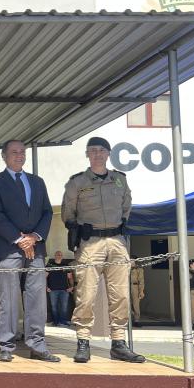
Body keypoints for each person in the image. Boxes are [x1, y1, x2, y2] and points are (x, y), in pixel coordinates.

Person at [62, 136, 144, 363]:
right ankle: (83, 341)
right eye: (93, 150)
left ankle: (118, 343)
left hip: (117, 241)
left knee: (120, 295)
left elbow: (126, 207)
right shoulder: (76, 182)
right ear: (87, 154)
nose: (97, 154)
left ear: (108, 154)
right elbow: (68, 213)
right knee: (85, 294)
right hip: (90, 243)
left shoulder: (120, 180)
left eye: (102, 150)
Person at [0, 139, 59, 363]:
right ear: (4, 156)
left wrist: (34, 237)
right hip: (9, 248)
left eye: (22, 152)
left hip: (36, 247)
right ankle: (6, 345)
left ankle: (37, 344)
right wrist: (19, 239)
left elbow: (47, 212)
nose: (20, 155)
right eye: (14, 152)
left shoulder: (37, 182)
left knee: (37, 297)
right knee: (9, 296)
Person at [46, 251, 74, 326]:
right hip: (52, 290)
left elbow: (70, 277)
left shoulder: (66, 265)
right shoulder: (49, 265)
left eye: (60, 255)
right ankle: (55, 322)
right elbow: (44, 277)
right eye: (57, 254)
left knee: (64, 307)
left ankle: (63, 321)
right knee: (54, 307)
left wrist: (72, 287)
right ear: (55, 256)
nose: (59, 256)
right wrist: (46, 287)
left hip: (64, 290)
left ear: (62, 256)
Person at [129, 257, 145, 327]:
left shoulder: (139, 269)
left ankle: (136, 320)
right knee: (127, 303)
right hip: (126, 286)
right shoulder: (126, 269)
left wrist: (141, 291)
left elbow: (141, 281)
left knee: (136, 304)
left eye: (132, 260)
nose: (131, 262)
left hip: (135, 286)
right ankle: (128, 320)